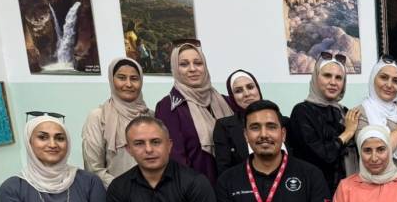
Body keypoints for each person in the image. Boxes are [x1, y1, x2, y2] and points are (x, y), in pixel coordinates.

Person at [154, 43, 233, 185]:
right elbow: (175, 158)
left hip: (232, 187)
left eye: (198, 63)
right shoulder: (169, 107)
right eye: (184, 64)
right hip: (197, 189)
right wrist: (195, 190)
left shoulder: (225, 101)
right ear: (175, 69)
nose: (192, 69)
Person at [288, 55, 362, 193]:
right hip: (316, 192)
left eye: (338, 78)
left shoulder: (345, 112)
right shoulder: (302, 112)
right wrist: (347, 133)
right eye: (327, 75)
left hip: (349, 193)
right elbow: (319, 156)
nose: (333, 82)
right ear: (316, 78)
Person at [82, 57, 150, 187]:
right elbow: (93, 169)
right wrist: (123, 189)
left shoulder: (151, 117)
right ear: (112, 80)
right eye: (122, 78)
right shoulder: (98, 117)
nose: (128, 84)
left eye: (134, 78)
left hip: (154, 193)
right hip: (115, 193)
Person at [357, 58, 397, 178]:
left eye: (396, 81)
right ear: (373, 78)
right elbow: (374, 152)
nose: (389, 85)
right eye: (384, 77)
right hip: (376, 183)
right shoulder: (360, 113)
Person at [214, 69, 262, 176]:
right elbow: (224, 172)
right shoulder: (224, 127)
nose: (247, 94)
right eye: (238, 91)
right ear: (232, 97)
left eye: (250, 87)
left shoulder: (283, 122)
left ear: (258, 89)